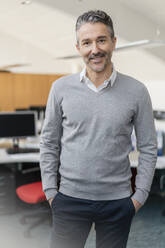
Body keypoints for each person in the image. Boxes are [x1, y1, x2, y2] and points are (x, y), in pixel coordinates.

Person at [40, 10, 157, 248]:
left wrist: (140, 196)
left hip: (118, 202)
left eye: (101, 40)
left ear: (114, 42)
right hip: (69, 200)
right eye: (87, 42)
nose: (95, 49)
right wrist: (51, 192)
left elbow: (148, 146)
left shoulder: (137, 91)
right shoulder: (60, 88)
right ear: (78, 47)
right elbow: (49, 143)